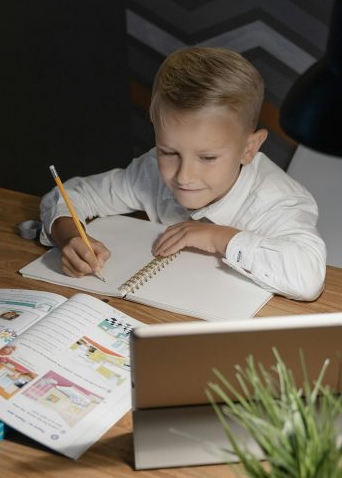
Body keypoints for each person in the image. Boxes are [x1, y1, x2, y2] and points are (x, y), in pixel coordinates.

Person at [39, 47, 326, 301]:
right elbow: (71, 195)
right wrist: (69, 237)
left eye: (208, 157)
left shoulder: (281, 200)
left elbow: (309, 277)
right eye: (168, 152)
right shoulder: (150, 172)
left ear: (249, 148)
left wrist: (218, 237)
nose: (184, 176)